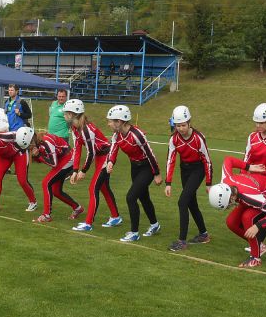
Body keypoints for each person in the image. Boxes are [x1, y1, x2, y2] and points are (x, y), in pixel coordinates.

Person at [104, 105, 162, 242]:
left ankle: (134, 233)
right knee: (143, 197)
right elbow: (113, 149)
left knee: (131, 197)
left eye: (111, 121)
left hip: (147, 167)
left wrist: (156, 173)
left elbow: (150, 153)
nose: (109, 124)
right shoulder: (117, 135)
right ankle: (155, 225)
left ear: (119, 121)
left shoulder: (137, 134)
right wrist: (110, 162)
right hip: (135, 167)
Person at [208, 171, 266, 268]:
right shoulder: (226, 181)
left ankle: (255, 258)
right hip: (259, 192)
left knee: (248, 216)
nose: (230, 204)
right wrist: (247, 167)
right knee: (231, 222)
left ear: (231, 196)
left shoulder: (249, 197)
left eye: (229, 202)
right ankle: (259, 246)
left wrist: (257, 226)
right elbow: (228, 162)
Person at [65, 99, 122, 233]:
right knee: (103, 187)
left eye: (66, 113)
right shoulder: (74, 128)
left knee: (93, 188)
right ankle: (116, 217)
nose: (64, 115)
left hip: (105, 156)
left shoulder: (86, 129)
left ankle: (88, 223)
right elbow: (77, 149)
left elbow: (91, 153)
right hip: (99, 157)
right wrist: (75, 170)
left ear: (73, 114)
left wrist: (83, 171)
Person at [164, 105, 213, 252]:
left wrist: (208, 182)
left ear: (189, 122)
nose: (180, 128)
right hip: (184, 170)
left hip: (198, 170)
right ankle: (204, 234)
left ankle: (182, 241)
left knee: (182, 202)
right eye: (178, 125)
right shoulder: (174, 139)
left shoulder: (198, 138)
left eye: (183, 125)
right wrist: (168, 183)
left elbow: (207, 160)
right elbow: (170, 160)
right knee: (191, 203)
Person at [13, 126, 83, 223]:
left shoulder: (46, 141)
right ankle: (77, 208)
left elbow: (53, 163)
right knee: (56, 191)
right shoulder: (39, 142)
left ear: (32, 140)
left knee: (46, 183)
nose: (29, 148)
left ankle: (46, 215)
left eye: (29, 146)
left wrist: (38, 155)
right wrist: (37, 156)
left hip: (68, 158)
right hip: (63, 158)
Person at [0, 119, 37, 213]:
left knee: (22, 180)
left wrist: (34, 146)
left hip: (18, 153)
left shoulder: (5, 136)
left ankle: (33, 202)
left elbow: (25, 134)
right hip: (4, 157)